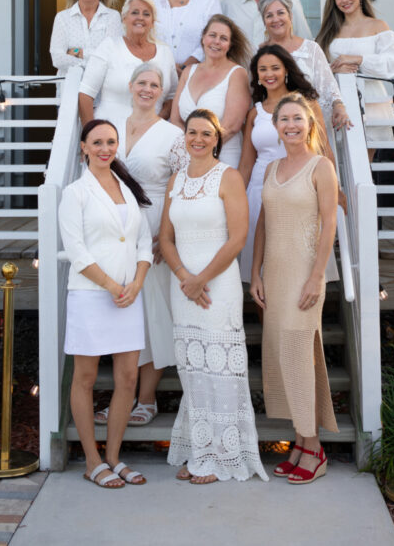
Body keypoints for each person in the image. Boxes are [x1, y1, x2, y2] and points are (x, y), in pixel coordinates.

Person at [159, 109, 268, 484]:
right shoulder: (176, 179)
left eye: (207, 133)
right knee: (192, 368)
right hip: (184, 285)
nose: (199, 139)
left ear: (216, 139)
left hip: (216, 285)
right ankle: (199, 448)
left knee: (220, 368)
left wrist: (201, 278)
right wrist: (184, 277)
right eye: (192, 132)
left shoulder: (229, 176)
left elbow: (238, 237)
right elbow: (165, 238)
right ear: (184, 136)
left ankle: (224, 455)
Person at [58, 119, 153, 489]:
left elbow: (143, 241)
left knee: (128, 378)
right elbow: (77, 252)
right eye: (97, 142)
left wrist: (138, 282)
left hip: (129, 296)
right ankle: (91, 460)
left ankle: (113, 456)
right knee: (85, 378)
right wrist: (114, 285)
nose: (105, 148)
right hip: (92, 295)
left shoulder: (127, 188)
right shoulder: (75, 193)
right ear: (83, 147)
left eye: (111, 142)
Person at [250, 95, 339, 485]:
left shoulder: (321, 167)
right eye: (284, 119)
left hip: (305, 274)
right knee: (282, 357)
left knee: (300, 354)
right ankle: (300, 444)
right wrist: (255, 273)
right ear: (276, 125)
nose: (291, 125)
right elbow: (263, 225)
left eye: (297, 119)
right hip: (276, 273)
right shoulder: (270, 168)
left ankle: (315, 448)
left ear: (309, 124)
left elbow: (330, 224)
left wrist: (317, 275)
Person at [102, 65, 183, 426]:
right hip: (115, 227)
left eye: (155, 85)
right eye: (143, 83)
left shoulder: (172, 134)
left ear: (162, 93)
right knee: (121, 311)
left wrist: (167, 236)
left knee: (153, 313)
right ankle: (123, 396)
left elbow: (180, 187)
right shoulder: (111, 126)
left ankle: (146, 399)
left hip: (153, 227)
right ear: (130, 85)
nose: (148, 89)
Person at [237, 44, 332, 282]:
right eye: (263, 69)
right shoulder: (254, 113)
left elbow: (323, 149)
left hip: (301, 190)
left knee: (298, 261)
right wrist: (235, 199)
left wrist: (334, 190)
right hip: (261, 190)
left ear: (286, 70)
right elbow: (247, 164)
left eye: (275, 68)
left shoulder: (307, 106)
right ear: (257, 76)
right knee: (261, 267)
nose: (269, 74)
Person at [317, 0, 394, 158]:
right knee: (335, 159)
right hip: (337, 100)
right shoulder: (329, 31)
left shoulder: (378, 26)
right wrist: (334, 69)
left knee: (364, 160)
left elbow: (392, 65)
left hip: (370, 101)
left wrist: (357, 59)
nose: (344, 0)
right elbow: (318, 68)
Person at [78, 0, 177, 126]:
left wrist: (156, 123)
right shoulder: (109, 47)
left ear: (152, 22)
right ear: (124, 18)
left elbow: (172, 97)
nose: (140, 17)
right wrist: (90, 134)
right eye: (135, 12)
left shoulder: (165, 53)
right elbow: (85, 94)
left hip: (151, 136)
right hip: (111, 137)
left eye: (146, 14)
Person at [258, 0, 351, 132]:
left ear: (291, 15)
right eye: (269, 15)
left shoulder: (311, 49)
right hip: (272, 128)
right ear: (264, 21)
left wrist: (338, 105)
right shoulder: (259, 53)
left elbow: (328, 86)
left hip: (311, 126)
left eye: (280, 13)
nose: (275, 19)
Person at [170, 14, 251, 169]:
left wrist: (202, 149)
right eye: (212, 35)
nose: (216, 42)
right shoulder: (189, 71)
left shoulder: (237, 73)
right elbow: (175, 119)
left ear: (230, 45)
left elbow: (232, 126)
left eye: (223, 38)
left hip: (223, 156)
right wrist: (191, 149)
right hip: (188, 157)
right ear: (203, 38)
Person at [49, 0, 122, 73]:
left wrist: (79, 52)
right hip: (71, 87)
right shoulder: (62, 18)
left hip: (102, 89)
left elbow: (112, 56)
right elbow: (58, 59)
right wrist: (92, 63)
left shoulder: (113, 17)